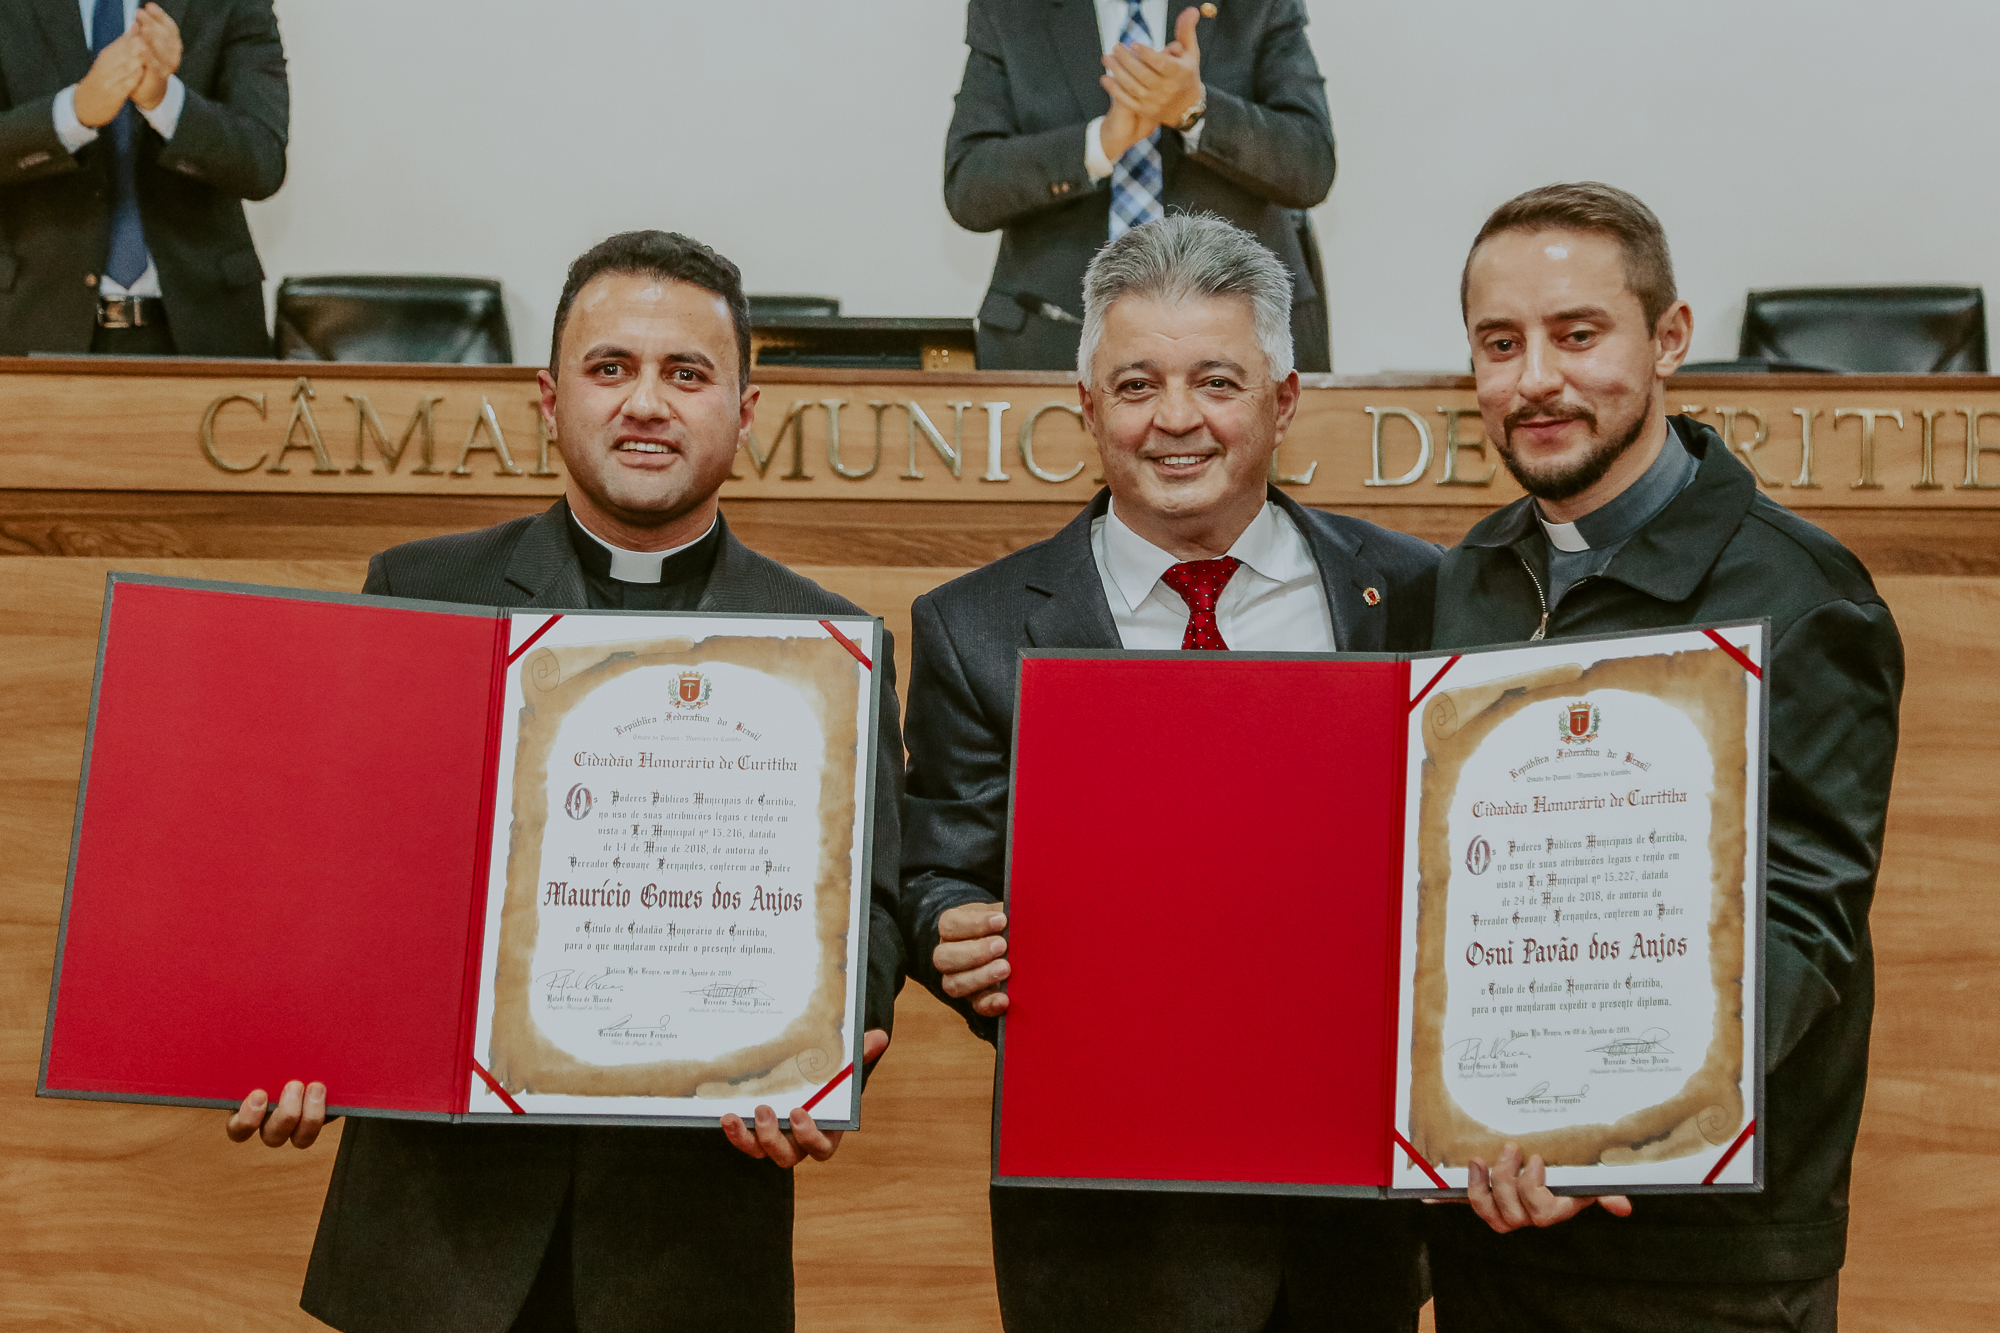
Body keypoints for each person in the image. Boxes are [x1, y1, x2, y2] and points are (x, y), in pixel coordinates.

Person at [222, 231, 906, 1333]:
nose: (646, 403)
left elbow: (866, 905)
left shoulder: (830, 642)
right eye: (610, 368)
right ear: (549, 399)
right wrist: (299, 1033)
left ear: (746, 410)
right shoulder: (421, 592)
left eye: (686, 373)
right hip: (435, 1243)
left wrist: (824, 1057)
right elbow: (339, 868)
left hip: (688, 1243)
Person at [901, 213, 1436, 1332]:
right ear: (1087, 406)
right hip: (1104, 1227)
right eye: (1137, 384)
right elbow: (937, 863)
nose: (1175, 418)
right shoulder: (974, 626)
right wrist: (952, 926)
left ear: (1284, 400)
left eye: (1216, 381)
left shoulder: (1413, 591)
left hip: (1348, 1222)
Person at [1426, 182, 1903, 1332]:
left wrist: (1601, 1130)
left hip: (1705, 1264)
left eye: (1576, 334)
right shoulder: (1464, 582)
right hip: (1492, 1227)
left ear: (1668, 338)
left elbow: (1799, 917)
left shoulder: (1799, 595)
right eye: (1500, 343)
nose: (1534, 378)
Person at [946, 1, 1335, 372]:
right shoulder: (1009, 7)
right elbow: (969, 187)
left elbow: (1311, 164)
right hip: (1054, 340)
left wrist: (1194, 109)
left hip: (1239, 343)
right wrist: (1099, 143)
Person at [0, 0, 287, 356]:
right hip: (31, 328)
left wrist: (166, 102)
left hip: (206, 331)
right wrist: (72, 114)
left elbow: (263, 163)